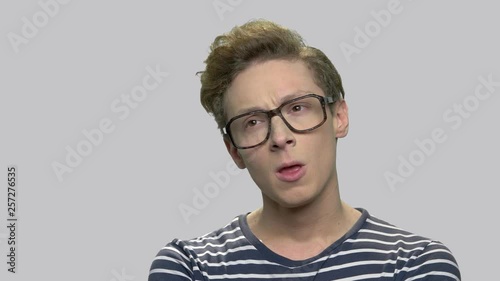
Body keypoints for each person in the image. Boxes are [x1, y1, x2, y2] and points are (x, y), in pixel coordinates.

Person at [148, 19, 461, 280]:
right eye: (253, 122)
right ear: (233, 150)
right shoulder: (191, 265)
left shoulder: (416, 264)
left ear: (339, 117)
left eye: (297, 107)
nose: (280, 137)